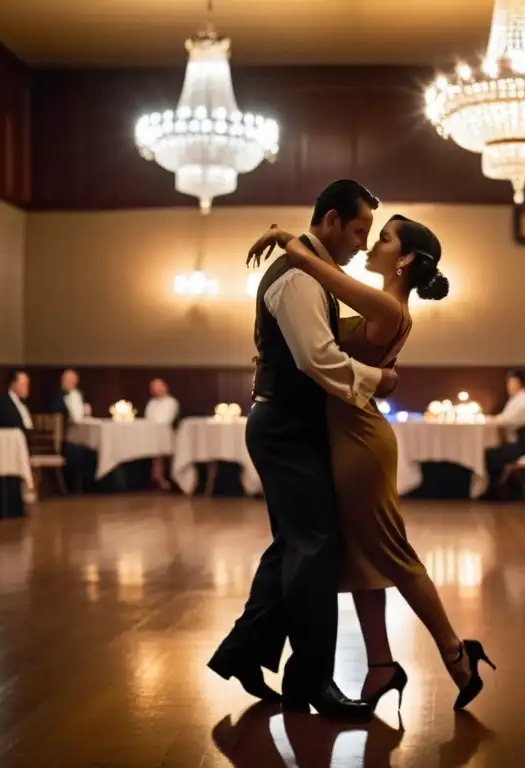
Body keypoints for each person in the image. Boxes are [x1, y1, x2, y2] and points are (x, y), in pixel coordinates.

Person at [245, 210, 495, 713]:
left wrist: (284, 236)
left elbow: (317, 268)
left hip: (359, 439)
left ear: (403, 259)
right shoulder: (385, 302)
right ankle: (380, 665)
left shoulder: (387, 305)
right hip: (345, 431)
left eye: (381, 238)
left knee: (391, 552)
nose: (369, 245)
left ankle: (455, 654)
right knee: (360, 556)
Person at [208, 180, 398, 721]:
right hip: (286, 427)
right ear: (332, 221)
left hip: (288, 423)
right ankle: (312, 680)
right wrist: (376, 380)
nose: (364, 244)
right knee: (317, 549)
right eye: (359, 230)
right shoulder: (297, 277)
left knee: (295, 545)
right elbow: (318, 358)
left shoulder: (310, 268)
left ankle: (244, 651)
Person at [483, 369, 525, 497]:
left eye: (511, 383)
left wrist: (486, 419)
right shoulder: (519, 400)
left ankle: (494, 491)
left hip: (523, 447)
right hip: (521, 444)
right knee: (492, 452)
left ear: (519, 383)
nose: (509, 386)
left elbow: (505, 421)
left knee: (489, 455)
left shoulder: (523, 402)